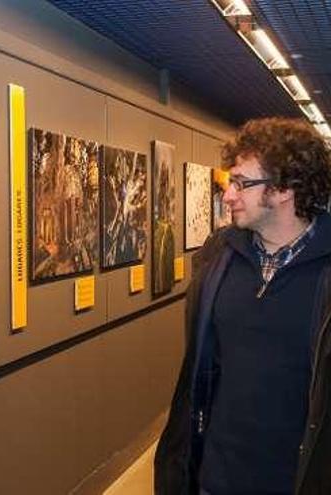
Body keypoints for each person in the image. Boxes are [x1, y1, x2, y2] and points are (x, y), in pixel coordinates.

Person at [154, 117, 331, 494]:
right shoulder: (218, 258)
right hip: (215, 477)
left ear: (285, 189)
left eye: (242, 183)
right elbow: (198, 373)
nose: (229, 195)